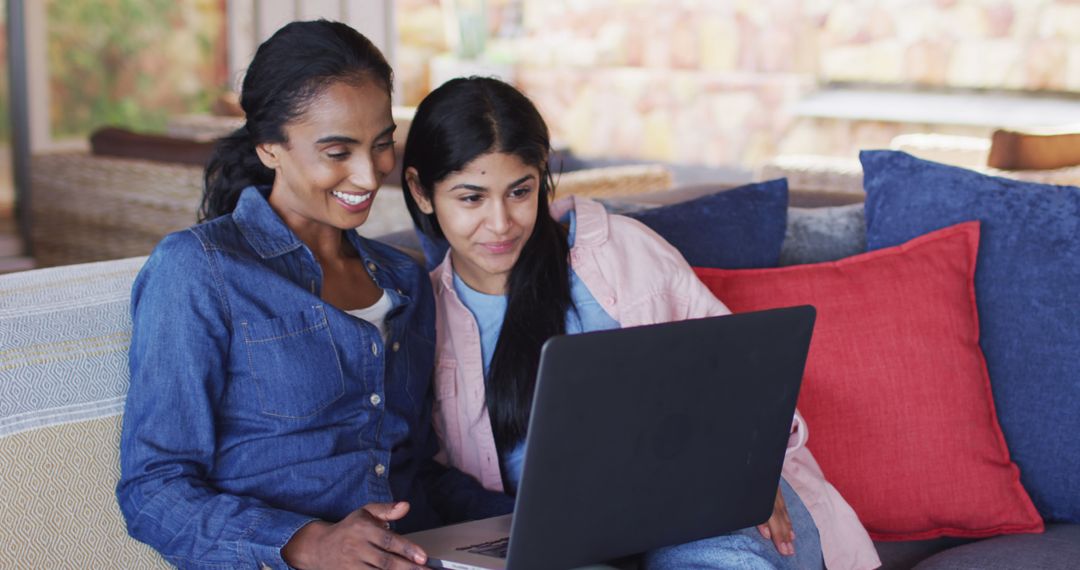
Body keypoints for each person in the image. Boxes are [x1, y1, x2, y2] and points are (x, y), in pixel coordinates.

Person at [402, 77, 882, 570]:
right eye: (471, 198)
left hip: (712, 505)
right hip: (569, 545)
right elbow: (430, 476)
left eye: (519, 192)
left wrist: (750, 474)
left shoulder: (620, 251)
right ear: (421, 191)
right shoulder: (421, 319)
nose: (501, 223)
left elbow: (744, 382)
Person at [116, 21, 513, 570]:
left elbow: (415, 468)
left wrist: (529, 518)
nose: (369, 176)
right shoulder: (200, 270)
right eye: (336, 151)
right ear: (269, 147)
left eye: (380, 145)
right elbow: (153, 489)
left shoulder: (405, 279)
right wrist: (307, 543)